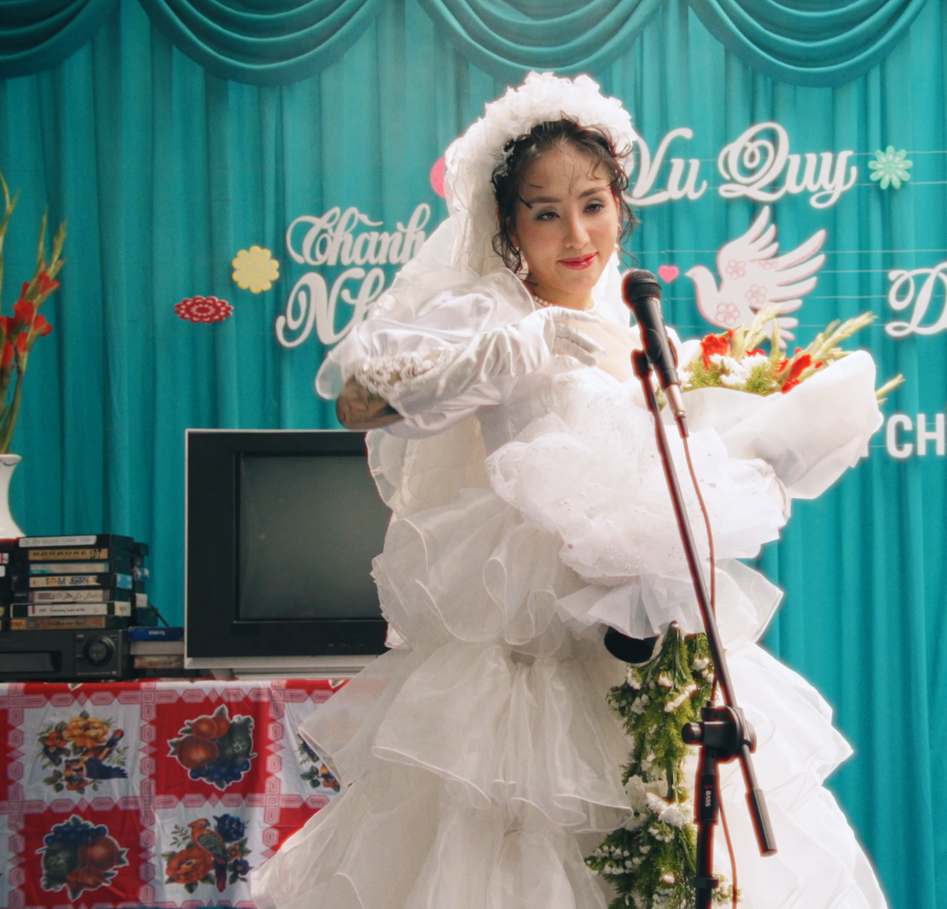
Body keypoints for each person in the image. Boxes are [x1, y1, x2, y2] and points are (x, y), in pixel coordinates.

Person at [250, 72, 890, 909]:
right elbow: (358, 401)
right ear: (509, 224)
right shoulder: (491, 308)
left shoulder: (636, 324)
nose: (576, 233)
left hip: (649, 643)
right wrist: (518, 345)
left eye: (592, 204)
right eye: (546, 212)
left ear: (621, 205)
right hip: (530, 652)